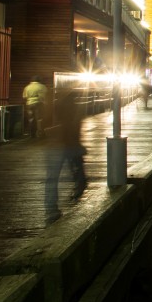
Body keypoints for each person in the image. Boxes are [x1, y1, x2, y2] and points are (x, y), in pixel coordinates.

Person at [44, 89, 87, 225]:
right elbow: (75, 128)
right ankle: (79, 187)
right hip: (69, 145)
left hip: (54, 146)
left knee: (52, 178)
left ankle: (51, 209)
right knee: (77, 170)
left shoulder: (52, 106)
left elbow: (44, 124)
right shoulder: (76, 109)